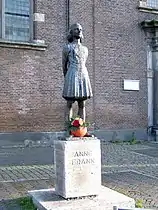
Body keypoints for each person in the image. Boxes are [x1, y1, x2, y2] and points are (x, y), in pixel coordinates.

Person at [62, 23, 93, 122]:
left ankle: (82, 129)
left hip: (83, 74)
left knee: (82, 103)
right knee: (70, 102)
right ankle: (69, 129)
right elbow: (64, 65)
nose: (79, 31)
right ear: (71, 32)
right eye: (76, 29)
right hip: (72, 74)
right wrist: (67, 78)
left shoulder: (85, 49)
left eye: (80, 29)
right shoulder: (67, 47)